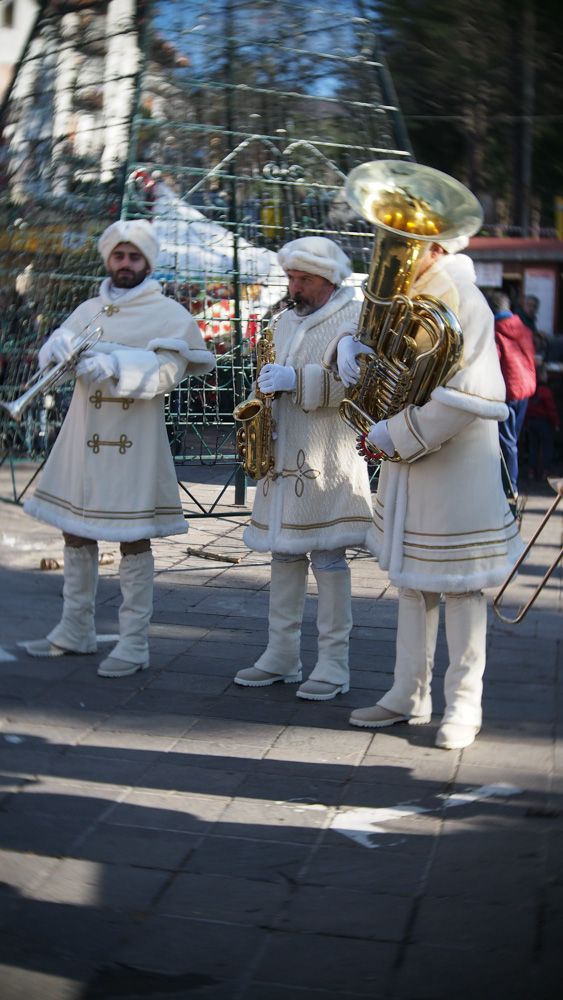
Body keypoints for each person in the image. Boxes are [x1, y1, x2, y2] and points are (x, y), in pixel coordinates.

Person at [330, 236, 524, 749]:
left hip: (454, 465)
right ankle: (407, 693)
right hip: (408, 465)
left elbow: (469, 398)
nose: (391, 254)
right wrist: (348, 347)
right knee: (413, 585)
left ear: (435, 247)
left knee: (461, 585)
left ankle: (464, 705)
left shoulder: (464, 296)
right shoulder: (403, 295)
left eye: (407, 244)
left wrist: (394, 433)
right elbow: (381, 354)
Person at [23, 219, 216, 677]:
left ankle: (134, 644)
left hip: (135, 441)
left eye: (133, 257)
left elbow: (169, 373)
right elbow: (58, 361)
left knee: (134, 537)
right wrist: (59, 348)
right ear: (108, 259)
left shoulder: (169, 313)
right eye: (118, 256)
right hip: (83, 435)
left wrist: (113, 362)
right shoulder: (90, 307)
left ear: (146, 262)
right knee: (74, 528)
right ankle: (75, 629)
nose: (124, 264)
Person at [234, 236, 373, 701]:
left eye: (304, 279)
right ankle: (282, 655)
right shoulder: (281, 321)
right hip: (282, 455)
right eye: (291, 277)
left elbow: (362, 386)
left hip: (326, 458)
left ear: (329, 280)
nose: (294, 286)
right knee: (283, 554)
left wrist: (300, 380)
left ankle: (334, 664)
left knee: (329, 557)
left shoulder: (355, 320)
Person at [486, 290, 536, 495]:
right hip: (525, 389)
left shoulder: (495, 329)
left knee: (506, 442)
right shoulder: (523, 327)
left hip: (507, 391)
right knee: (512, 439)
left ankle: (509, 488)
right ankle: (510, 485)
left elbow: (492, 361)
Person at [526, 364, 560, 480]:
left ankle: (531, 470)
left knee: (533, 446)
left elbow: (527, 407)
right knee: (547, 445)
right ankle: (546, 470)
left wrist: (526, 422)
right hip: (543, 422)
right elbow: (551, 410)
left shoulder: (531, 390)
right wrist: (556, 423)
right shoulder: (545, 391)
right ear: (542, 375)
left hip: (531, 421)